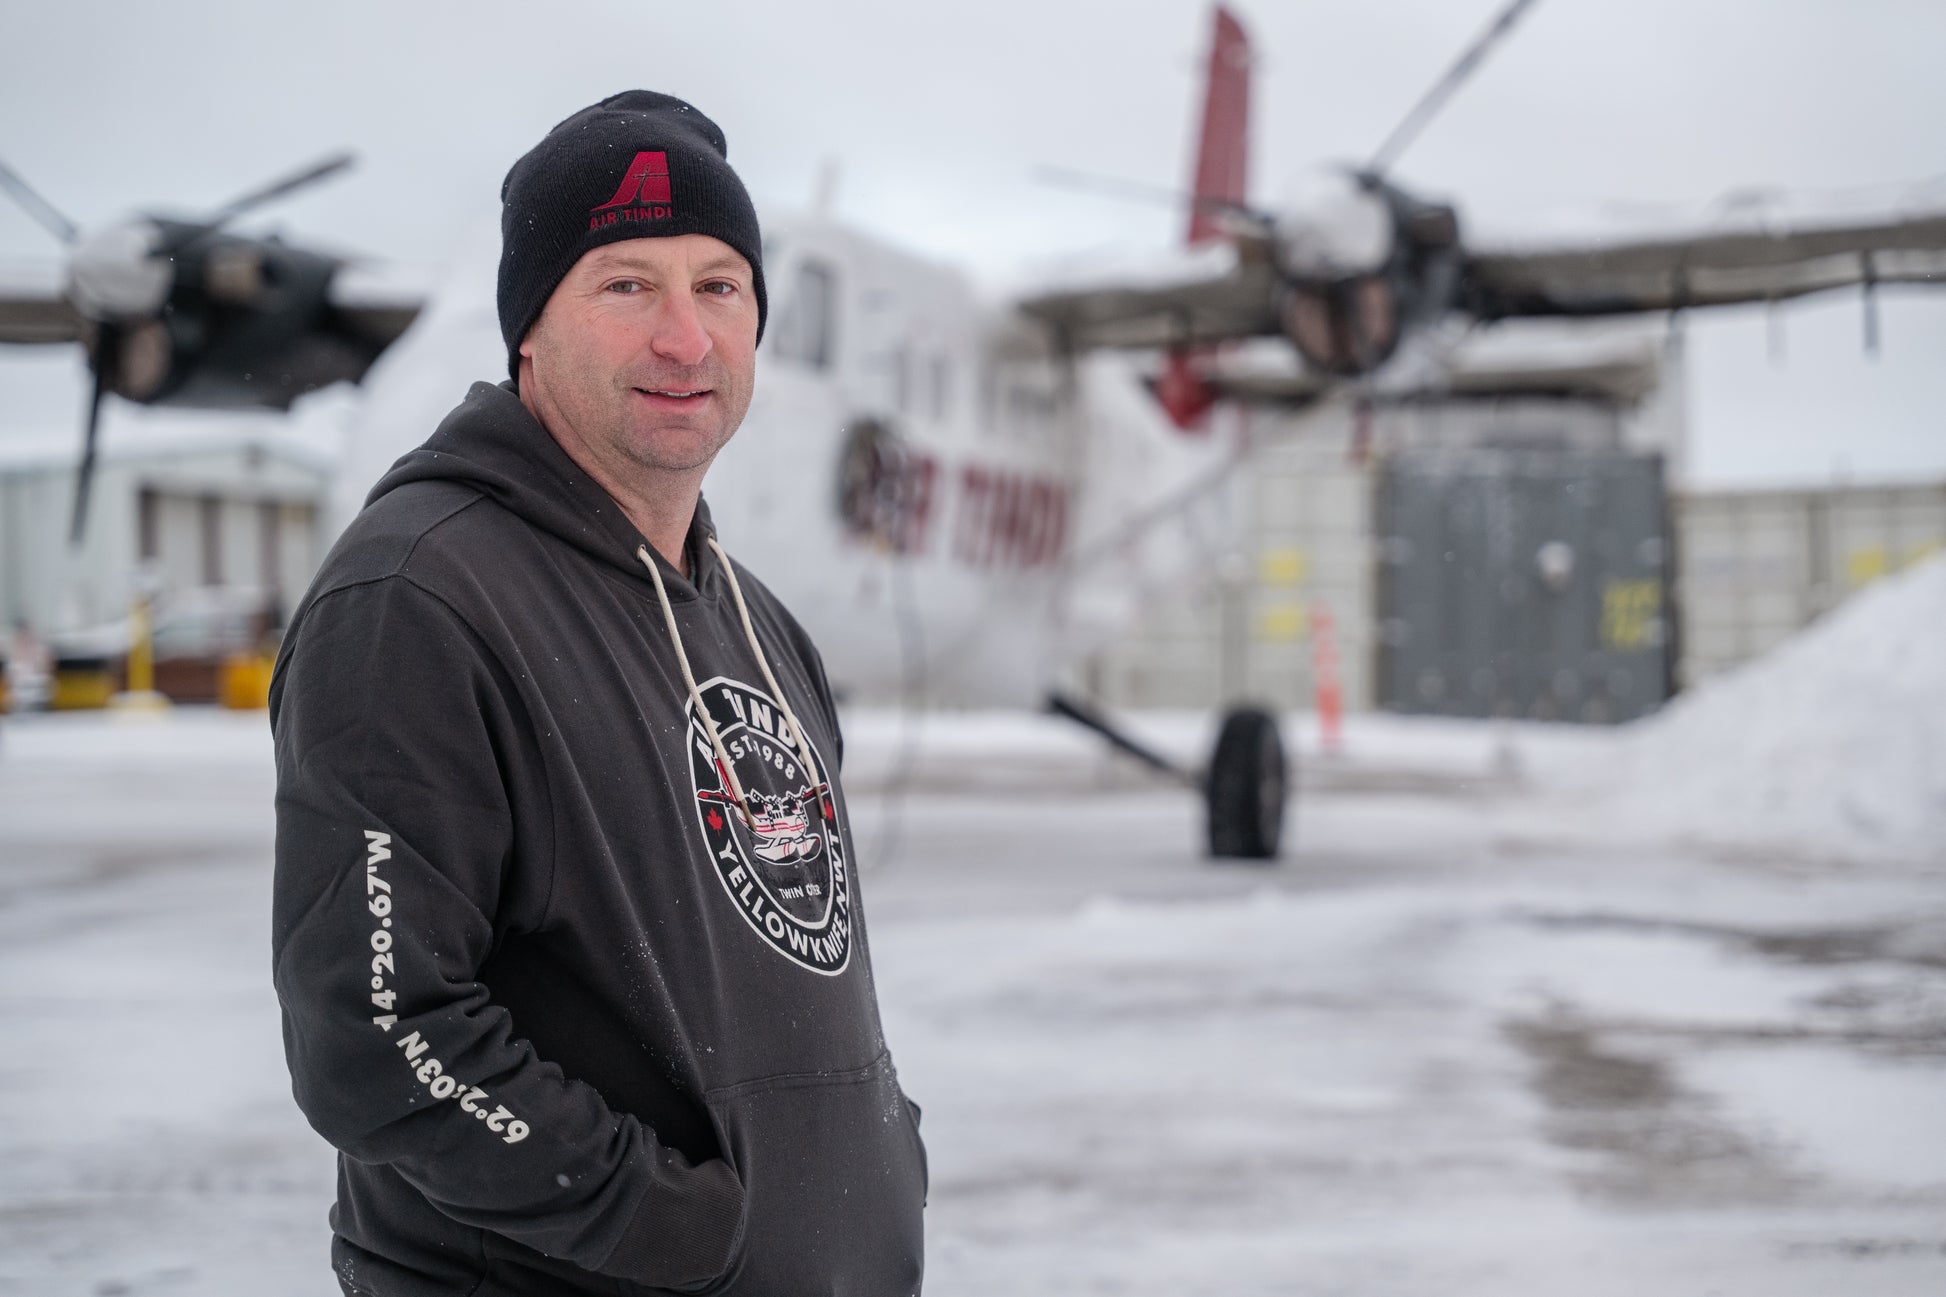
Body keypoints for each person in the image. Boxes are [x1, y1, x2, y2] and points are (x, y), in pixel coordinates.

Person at [270, 91, 926, 1297]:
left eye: (718, 287)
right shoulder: (417, 597)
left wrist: (877, 1148)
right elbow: (376, 1030)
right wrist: (670, 1225)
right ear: (529, 328)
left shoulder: (756, 622)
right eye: (626, 285)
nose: (684, 339)